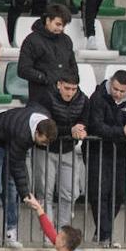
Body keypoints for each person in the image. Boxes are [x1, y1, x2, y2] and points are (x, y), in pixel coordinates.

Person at [0, 101, 57, 248]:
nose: (44, 145)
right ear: (37, 133)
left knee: (12, 188)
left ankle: (11, 231)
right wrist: (26, 194)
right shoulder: (23, 134)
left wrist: (24, 192)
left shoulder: (45, 119)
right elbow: (18, 165)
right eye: (43, 141)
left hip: (10, 141)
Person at [84, 69, 126, 248]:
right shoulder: (98, 97)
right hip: (97, 150)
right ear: (111, 83)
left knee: (118, 194)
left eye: (122, 91)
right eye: (115, 89)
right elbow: (97, 126)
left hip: (119, 152)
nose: (118, 94)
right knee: (99, 192)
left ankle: (102, 231)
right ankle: (105, 236)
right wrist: (122, 132)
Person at [36, 74, 88, 229]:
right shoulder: (45, 97)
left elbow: (86, 121)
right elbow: (46, 126)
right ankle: (49, 233)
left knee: (69, 192)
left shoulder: (83, 100)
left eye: (73, 89)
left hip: (68, 149)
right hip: (45, 149)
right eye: (67, 88)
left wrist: (82, 129)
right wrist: (70, 130)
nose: (70, 92)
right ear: (59, 84)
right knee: (46, 193)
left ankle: (63, 232)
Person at [17, 4, 78, 107]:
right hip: (40, 98)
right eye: (58, 24)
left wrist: (70, 83)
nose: (61, 28)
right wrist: (45, 78)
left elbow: (73, 66)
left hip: (64, 99)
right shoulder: (32, 40)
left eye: (63, 25)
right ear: (48, 20)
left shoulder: (66, 40)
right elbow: (23, 69)